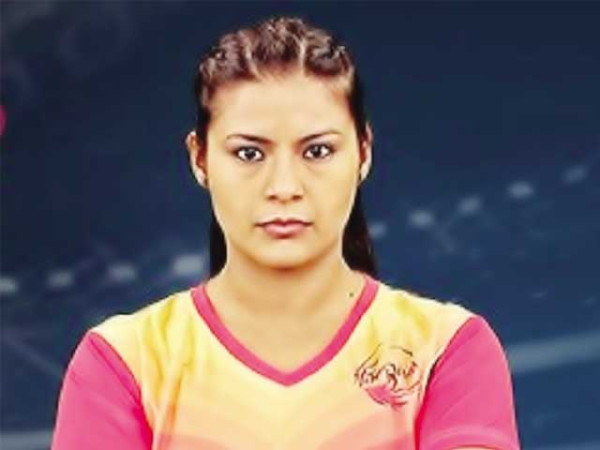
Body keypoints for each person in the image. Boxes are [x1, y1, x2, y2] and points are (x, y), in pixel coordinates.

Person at [51, 15, 521, 450]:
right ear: (200, 159)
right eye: (249, 154)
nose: (283, 187)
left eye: (317, 151)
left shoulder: (446, 348)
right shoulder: (123, 362)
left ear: (363, 153)